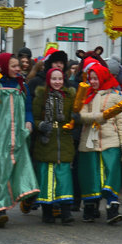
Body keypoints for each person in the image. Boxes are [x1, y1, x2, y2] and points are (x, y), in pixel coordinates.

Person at [0, 52, 40, 227]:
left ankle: (25, 196)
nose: (17, 69)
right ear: (5, 66)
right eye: (13, 66)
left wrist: (29, 121)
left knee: (21, 167)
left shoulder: (22, 85)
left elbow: (28, 107)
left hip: (18, 135)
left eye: (18, 66)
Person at [77, 60, 122, 225]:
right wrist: (97, 117)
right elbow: (80, 115)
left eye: (95, 78)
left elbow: (121, 122)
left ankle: (112, 207)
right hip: (89, 141)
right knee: (90, 175)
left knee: (111, 173)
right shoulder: (85, 95)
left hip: (110, 141)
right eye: (90, 78)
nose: (92, 81)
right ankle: (90, 207)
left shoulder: (115, 96)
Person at [29, 66, 78, 224]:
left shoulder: (69, 96)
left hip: (63, 141)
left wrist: (75, 118)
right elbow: (34, 118)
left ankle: (65, 212)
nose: (57, 82)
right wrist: (41, 125)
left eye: (60, 79)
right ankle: (47, 211)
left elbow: (73, 116)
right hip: (46, 142)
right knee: (47, 177)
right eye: (54, 79)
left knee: (64, 177)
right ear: (48, 80)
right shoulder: (41, 96)